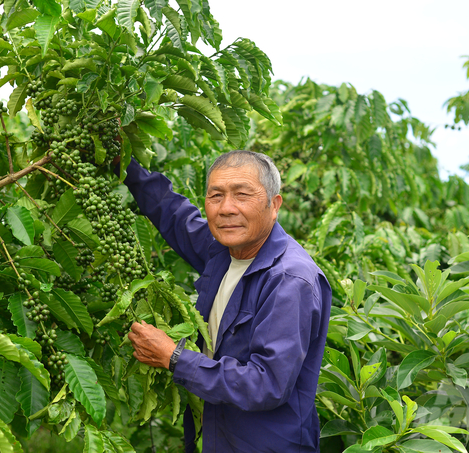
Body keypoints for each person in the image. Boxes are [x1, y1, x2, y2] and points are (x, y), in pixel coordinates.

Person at [124, 150, 331, 452]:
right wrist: (126, 166)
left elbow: (267, 384)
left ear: (274, 205)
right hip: (217, 436)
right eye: (215, 196)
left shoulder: (289, 279)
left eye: (242, 195)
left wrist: (174, 356)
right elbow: (175, 216)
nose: (226, 208)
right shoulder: (224, 250)